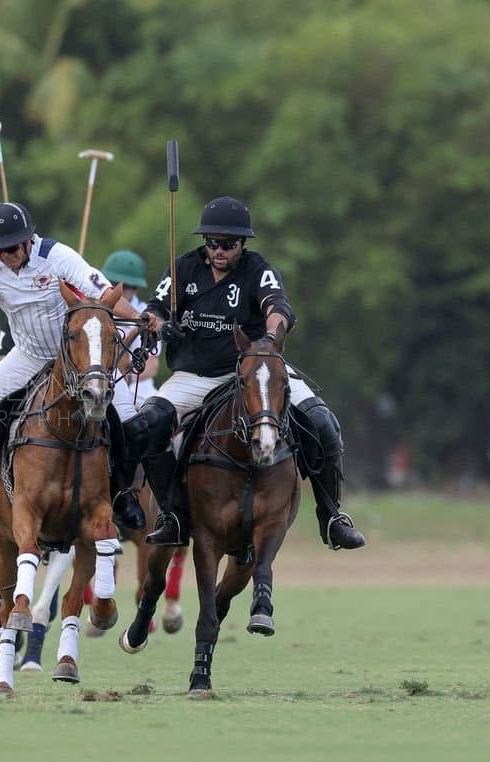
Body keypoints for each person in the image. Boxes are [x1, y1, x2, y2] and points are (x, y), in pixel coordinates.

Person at [127, 196, 366, 550]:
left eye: (228, 244)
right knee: (144, 426)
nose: (219, 250)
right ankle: (173, 513)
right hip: (196, 375)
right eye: (212, 242)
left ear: (242, 244)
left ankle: (330, 516)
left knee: (323, 423)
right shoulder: (183, 269)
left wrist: (271, 337)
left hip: (255, 373)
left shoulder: (258, 270)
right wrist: (162, 328)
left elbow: (277, 307)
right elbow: (154, 310)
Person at [0, 202, 148, 531]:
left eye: (9, 248)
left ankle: (122, 494)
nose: (4, 256)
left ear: (26, 241)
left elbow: (105, 292)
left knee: (135, 426)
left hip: (79, 360)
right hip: (28, 354)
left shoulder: (57, 256)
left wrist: (140, 319)